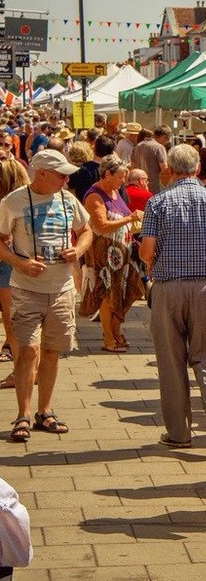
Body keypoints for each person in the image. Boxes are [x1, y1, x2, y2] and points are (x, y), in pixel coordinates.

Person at [139, 144, 206, 456]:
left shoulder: (158, 202)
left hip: (168, 287)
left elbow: (147, 251)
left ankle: (178, 432)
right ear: (196, 168)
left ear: (170, 168)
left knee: (171, 360)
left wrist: (151, 268)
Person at [0, 150, 92, 443]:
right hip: (26, 289)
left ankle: (45, 412)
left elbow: (87, 230)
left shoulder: (68, 200)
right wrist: (20, 262)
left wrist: (77, 250)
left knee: (52, 351)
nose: (67, 179)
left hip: (62, 288)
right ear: (40, 173)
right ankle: (22, 415)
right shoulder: (12, 202)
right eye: (61, 174)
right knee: (28, 350)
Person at [79, 155, 144, 353]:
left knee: (132, 289)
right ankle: (109, 338)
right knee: (109, 295)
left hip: (120, 252)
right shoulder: (94, 196)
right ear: (108, 174)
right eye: (120, 176)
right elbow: (102, 225)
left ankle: (115, 330)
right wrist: (130, 218)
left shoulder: (115, 192)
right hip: (103, 254)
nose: (123, 181)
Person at [0, 160, 30, 391]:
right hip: (23, 268)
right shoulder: (27, 202)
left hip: (8, 267)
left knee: (13, 325)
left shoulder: (7, 204)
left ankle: (20, 374)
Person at [69, 135, 115, 204]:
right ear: (112, 152)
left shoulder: (84, 170)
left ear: (94, 149)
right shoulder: (116, 170)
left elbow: (82, 196)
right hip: (112, 210)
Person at [131, 126, 170, 193]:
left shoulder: (138, 146)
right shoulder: (159, 147)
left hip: (139, 187)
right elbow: (164, 169)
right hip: (155, 188)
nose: (167, 142)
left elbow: (133, 167)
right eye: (167, 139)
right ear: (163, 137)